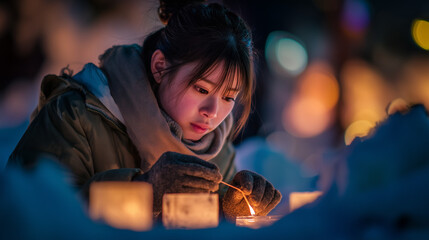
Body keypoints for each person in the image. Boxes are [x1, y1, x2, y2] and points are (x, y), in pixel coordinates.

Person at [7, 0, 282, 222]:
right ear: (160, 67)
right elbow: (29, 211)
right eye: (201, 89)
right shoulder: (75, 116)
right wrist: (142, 191)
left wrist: (228, 208)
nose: (213, 111)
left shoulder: (217, 150)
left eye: (229, 97)